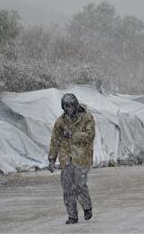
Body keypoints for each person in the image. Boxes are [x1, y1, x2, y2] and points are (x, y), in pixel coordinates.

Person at [48, 93, 95, 224]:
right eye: (65, 106)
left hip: (82, 157)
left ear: (75, 105)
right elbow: (55, 140)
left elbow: (90, 135)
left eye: (70, 106)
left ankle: (86, 207)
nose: (68, 109)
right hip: (66, 158)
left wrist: (74, 135)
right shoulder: (61, 121)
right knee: (67, 188)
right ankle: (72, 215)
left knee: (80, 185)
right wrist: (52, 159)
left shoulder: (87, 117)